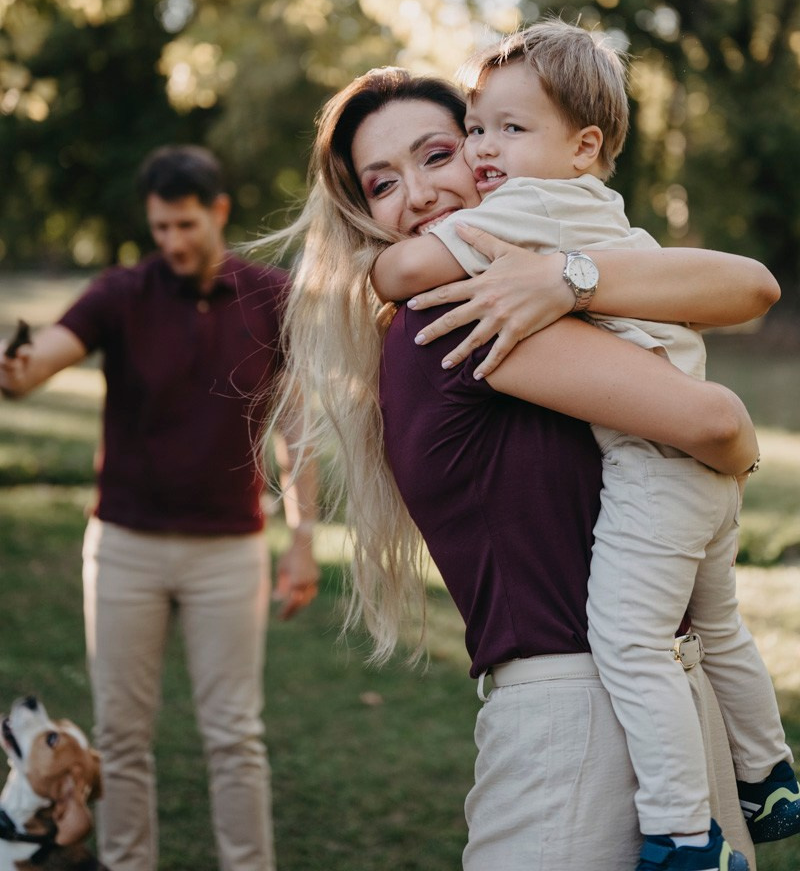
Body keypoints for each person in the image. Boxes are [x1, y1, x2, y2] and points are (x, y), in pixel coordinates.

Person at [259, 67, 780, 870]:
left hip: (654, 710)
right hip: (584, 722)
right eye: (383, 183)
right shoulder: (456, 315)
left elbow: (751, 286)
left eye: (439, 154)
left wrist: (563, 276)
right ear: (364, 212)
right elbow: (717, 421)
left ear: (487, 152)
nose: (420, 194)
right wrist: (740, 451)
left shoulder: (528, 287)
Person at [0, 145, 319, 871]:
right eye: (160, 227)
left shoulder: (270, 296)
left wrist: (302, 538)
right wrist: (15, 370)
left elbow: (296, 427)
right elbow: (43, 359)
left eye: (185, 224)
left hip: (229, 549)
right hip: (125, 548)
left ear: (218, 211)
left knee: (235, 737)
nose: (172, 241)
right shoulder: (121, 292)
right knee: (120, 738)